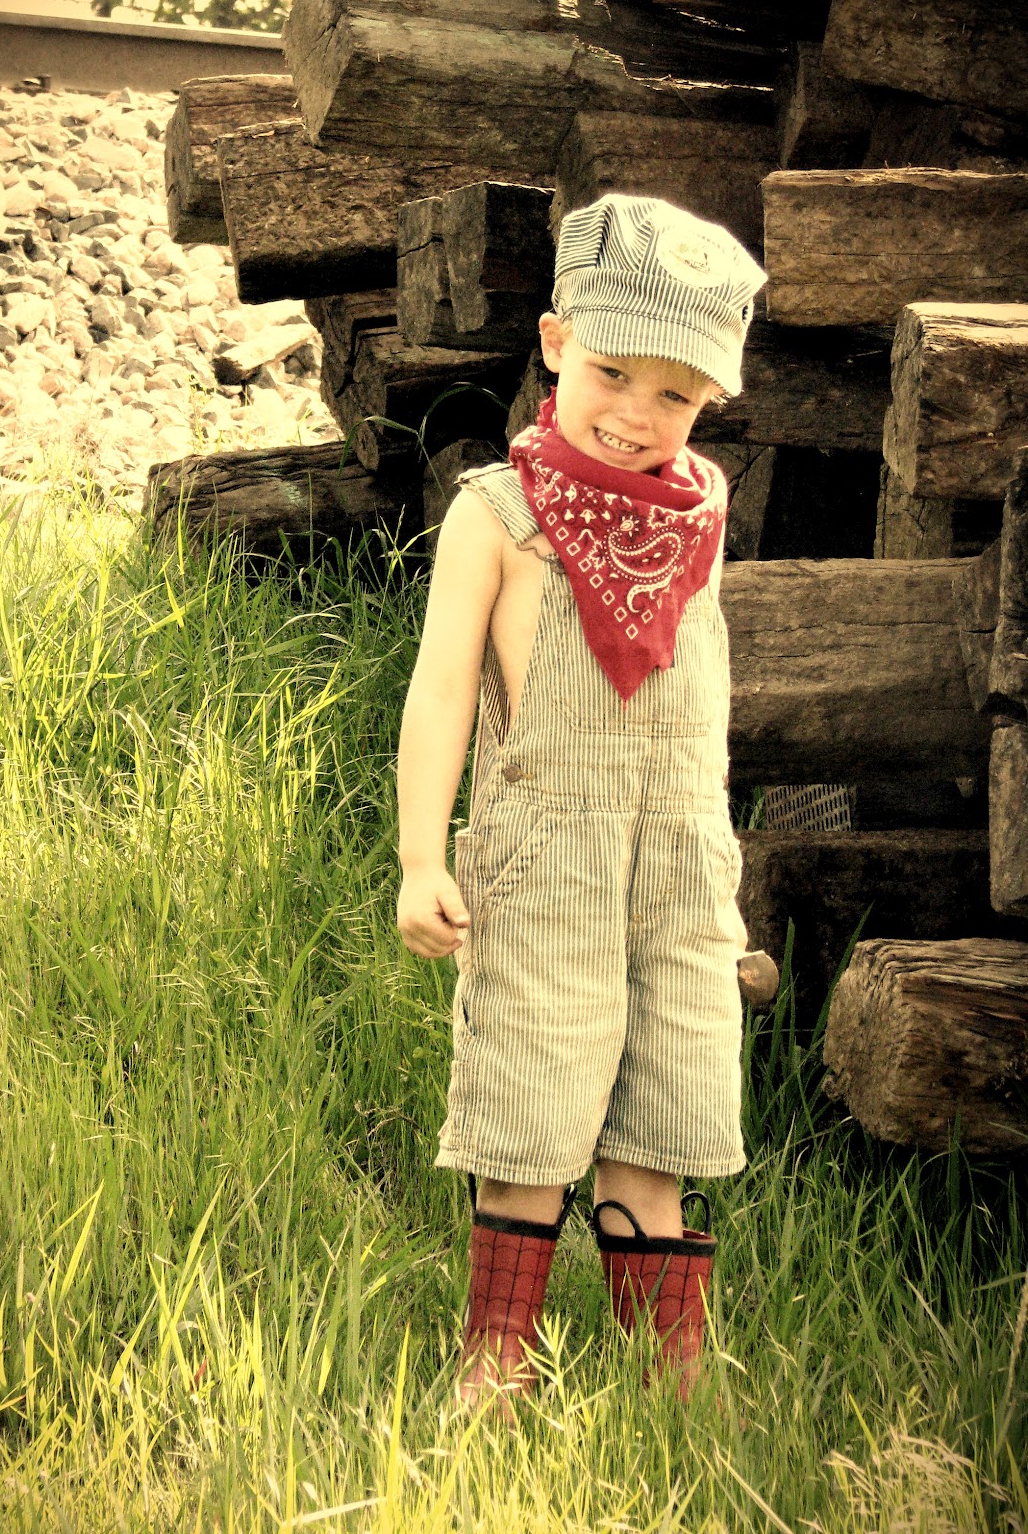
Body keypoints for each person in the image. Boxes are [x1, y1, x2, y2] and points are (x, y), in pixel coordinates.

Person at [395, 193, 767, 1413]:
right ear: (557, 343)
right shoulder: (497, 516)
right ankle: (494, 1365)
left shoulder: (700, 510)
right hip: (547, 856)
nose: (637, 414)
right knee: (531, 1118)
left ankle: (673, 1388)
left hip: (680, 865)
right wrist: (420, 858)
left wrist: (712, 848)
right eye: (613, 372)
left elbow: (697, 704)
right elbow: (441, 693)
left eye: (676, 394)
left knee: (663, 1122)